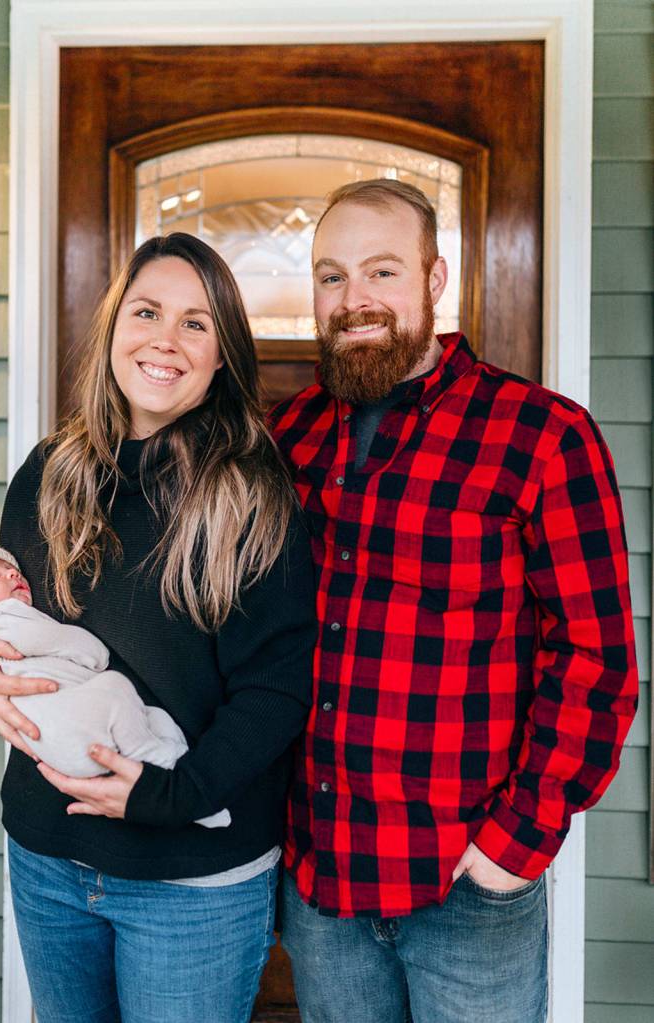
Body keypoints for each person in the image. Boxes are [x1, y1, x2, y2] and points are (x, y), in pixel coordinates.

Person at [270, 179, 639, 1023]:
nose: (353, 299)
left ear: (435, 280)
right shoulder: (285, 436)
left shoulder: (541, 435)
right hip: (321, 879)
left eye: (381, 272)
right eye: (331, 277)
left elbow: (595, 657)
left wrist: (514, 843)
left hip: (465, 884)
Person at [0, 233, 316, 1023]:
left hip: (192, 877)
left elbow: (276, 689)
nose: (164, 341)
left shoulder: (253, 498)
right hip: (49, 856)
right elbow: (4, 623)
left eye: (195, 324)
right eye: (146, 312)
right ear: (114, 327)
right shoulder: (49, 472)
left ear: (222, 358)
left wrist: (171, 795)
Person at [0, 544, 229, 827]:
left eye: (11, 569)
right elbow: (62, 643)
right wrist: (92, 652)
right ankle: (153, 762)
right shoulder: (4, 620)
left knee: (153, 718)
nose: (12, 572)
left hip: (64, 747)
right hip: (74, 734)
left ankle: (174, 768)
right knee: (115, 687)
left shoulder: (0, 629)